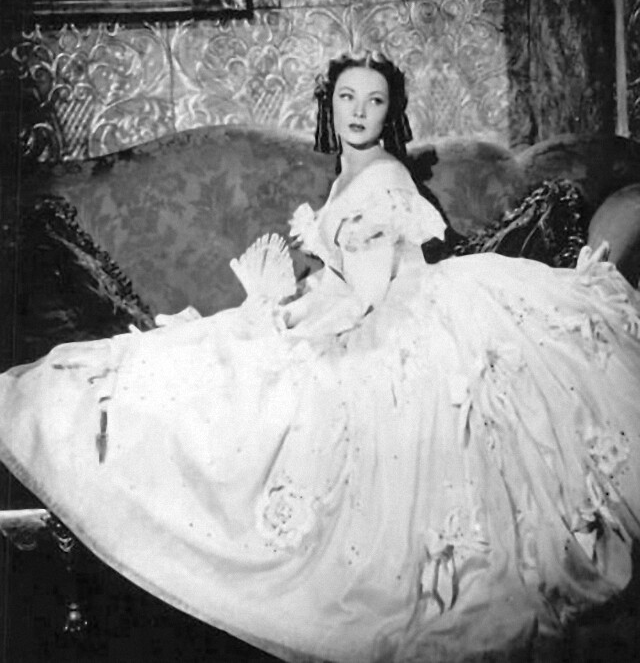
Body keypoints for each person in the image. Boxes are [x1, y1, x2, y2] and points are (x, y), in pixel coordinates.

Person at [0, 52, 639, 663]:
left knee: (257, 386)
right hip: (366, 307)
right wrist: (286, 303)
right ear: (329, 106)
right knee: (210, 362)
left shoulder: (385, 177)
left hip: (398, 322)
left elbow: (367, 295)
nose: (358, 112)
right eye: (346, 98)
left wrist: (295, 323)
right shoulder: (348, 175)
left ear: (391, 112)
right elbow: (342, 279)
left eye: (374, 101)